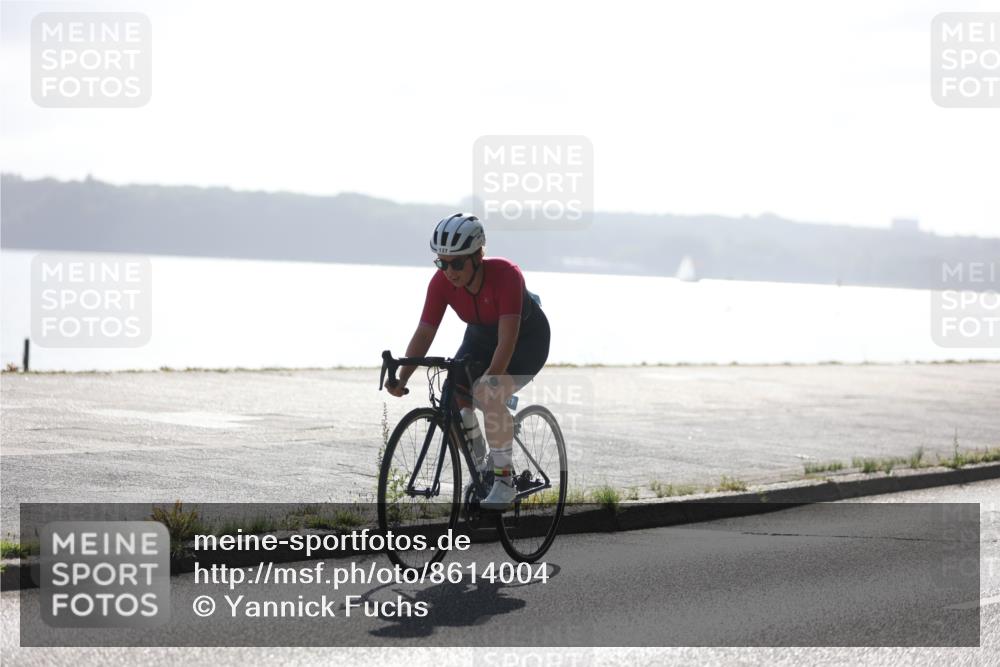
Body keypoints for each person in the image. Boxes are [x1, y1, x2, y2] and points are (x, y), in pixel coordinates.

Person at [385, 213, 550, 510]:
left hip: (526, 342)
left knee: (489, 392)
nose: (449, 271)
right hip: (480, 337)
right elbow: (424, 333)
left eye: (457, 263)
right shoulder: (441, 284)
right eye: (442, 262)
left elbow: (508, 340)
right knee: (452, 397)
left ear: (477, 256)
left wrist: (490, 383)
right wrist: (403, 377)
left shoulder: (506, 275)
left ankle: (504, 481)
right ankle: (481, 459)